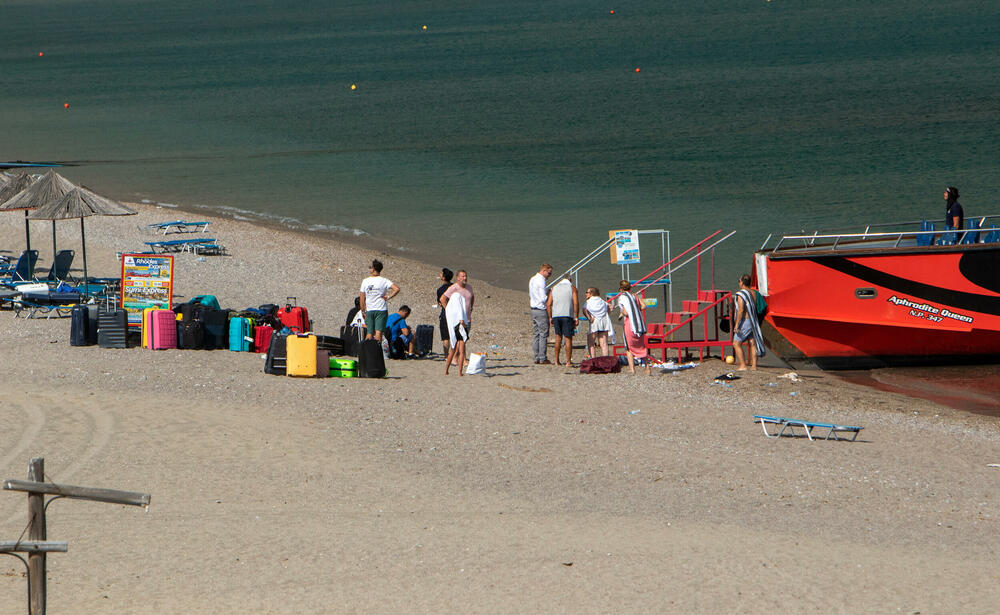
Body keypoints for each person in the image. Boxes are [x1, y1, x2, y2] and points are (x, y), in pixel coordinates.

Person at [359, 259, 399, 342]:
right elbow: (396, 289)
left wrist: (363, 311)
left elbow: (362, 298)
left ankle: (367, 351)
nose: (369, 269)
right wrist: (388, 297)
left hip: (370, 309)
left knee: (369, 332)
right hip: (381, 309)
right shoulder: (384, 280)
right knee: (379, 332)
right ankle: (376, 351)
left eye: (370, 267)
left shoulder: (365, 281)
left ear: (373, 269)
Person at [732, 274, 766, 371]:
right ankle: (754, 366)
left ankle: (742, 365)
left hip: (745, 321)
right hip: (753, 320)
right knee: (752, 342)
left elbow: (741, 310)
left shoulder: (741, 294)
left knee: (736, 343)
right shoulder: (754, 293)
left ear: (742, 282)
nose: (739, 283)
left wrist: (737, 324)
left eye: (739, 281)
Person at [616, 280, 650, 375]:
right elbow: (643, 306)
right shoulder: (634, 296)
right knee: (641, 346)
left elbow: (625, 312)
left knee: (629, 347)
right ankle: (647, 368)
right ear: (630, 288)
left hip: (630, 324)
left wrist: (622, 313)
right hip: (640, 324)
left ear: (621, 289)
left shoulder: (621, 298)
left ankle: (632, 369)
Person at [440, 270, 475, 365]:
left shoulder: (469, 288)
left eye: (466, 276)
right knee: (461, 340)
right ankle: (462, 360)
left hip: (467, 317)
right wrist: (449, 311)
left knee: (464, 339)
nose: (465, 278)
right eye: (462, 276)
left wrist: (471, 308)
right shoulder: (454, 288)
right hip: (458, 319)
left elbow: (471, 297)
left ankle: (456, 358)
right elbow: (443, 299)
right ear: (458, 278)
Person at [546, 275, 579, 366]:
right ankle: (568, 361)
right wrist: (576, 317)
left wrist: (550, 317)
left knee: (558, 338)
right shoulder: (572, 288)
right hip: (567, 315)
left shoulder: (554, 288)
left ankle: (557, 361)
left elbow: (548, 304)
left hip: (556, 315)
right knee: (568, 339)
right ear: (570, 280)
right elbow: (575, 303)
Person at [529, 264, 553, 364]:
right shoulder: (541, 280)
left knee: (536, 334)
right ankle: (542, 357)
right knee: (543, 334)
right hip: (540, 309)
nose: (549, 275)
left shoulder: (532, 279)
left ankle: (536, 357)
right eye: (549, 273)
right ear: (544, 270)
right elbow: (543, 298)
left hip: (533, 308)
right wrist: (549, 294)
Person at [444, 288, 469, 376]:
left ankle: (446, 370)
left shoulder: (449, 308)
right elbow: (462, 319)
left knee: (452, 350)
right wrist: (466, 326)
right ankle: (459, 372)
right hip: (460, 329)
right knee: (461, 351)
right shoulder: (459, 304)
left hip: (453, 329)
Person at [584, 287, 613, 358]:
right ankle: (606, 361)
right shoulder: (602, 301)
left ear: (591, 294)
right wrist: (607, 314)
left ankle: (593, 360)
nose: (585, 294)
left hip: (594, 323)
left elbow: (584, 310)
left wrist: (589, 318)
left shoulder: (589, 301)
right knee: (604, 344)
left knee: (591, 343)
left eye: (587, 292)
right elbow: (609, 308)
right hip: (604, 323)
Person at [436, 268, 454, 356]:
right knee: (455, 336)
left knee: (445, 337)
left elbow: (440, 303)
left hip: (445, 314)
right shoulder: (455, 287)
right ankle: (455, 355)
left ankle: (447, 356)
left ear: (443, 278)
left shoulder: (440, 290)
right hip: (455, 314)